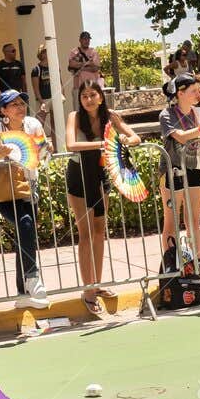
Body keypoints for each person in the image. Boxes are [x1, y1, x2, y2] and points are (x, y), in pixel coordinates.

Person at [64, 79, 140, 313]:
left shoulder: (111, 116)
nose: (88, 100)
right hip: (79, 175)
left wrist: (126, 139)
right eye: (84, 96)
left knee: (99, 232)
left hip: (101, 174)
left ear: (101, 96)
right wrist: (105, 143)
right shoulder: (74, 117)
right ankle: (88, 290)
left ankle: (97, 284)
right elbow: (70, 144)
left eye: (92, 95)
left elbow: (134, 137)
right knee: (85, 234)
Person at [0, 89, 50, 308]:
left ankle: (23, 293)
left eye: (22, 103)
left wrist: (45, 150)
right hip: (4, 190)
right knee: (26, 225)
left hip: (29, 186)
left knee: (25, 233)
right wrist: (0, 151)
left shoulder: (32, 125)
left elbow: (44, 151)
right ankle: (32, 277)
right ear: (3, 110)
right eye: (14, 104)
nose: (20, 107)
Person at [158, 73, 200, 275]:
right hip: (173, 169)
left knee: (194, 220)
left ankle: (197, 263)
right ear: (180, 93)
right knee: (171, 221)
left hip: (194, 166)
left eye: (199, 89)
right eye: (194, 91)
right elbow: (180, 137)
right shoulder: (167, 114)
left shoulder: (199, 112)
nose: (199, 93)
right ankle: (172, 265)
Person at [67, 30, 103, 94]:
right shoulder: (74, 51)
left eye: (88, 39)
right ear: (80, 40)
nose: (87, 41)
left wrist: (80, 67)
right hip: (78, 86)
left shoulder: (94, 52)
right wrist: (87, 64)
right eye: (85, 39)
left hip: (93, 86)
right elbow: (71, 64)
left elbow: (95, 68)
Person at [30, 42, 54, 137]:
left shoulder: (54, 66)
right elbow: (35, 88)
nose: (47, 53)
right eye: (45, 51)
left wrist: (61, 93)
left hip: (54, 97)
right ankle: (38, 148)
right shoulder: (36, 69)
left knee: (55, 124)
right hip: (43, 99)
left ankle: (57, 148)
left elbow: (58, 81)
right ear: (41, 54)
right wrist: (41, 101)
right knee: (39, 125)